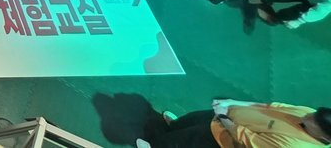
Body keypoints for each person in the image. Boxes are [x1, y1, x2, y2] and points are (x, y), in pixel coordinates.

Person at [137, 100, 331, 148]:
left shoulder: (293, 145)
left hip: (220, 136)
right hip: (225, 115)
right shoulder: (307, 112)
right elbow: (271, 106)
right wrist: (232, 103)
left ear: (324, 136)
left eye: (313, 121)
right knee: (189, 121)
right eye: (314, 114)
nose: (308, 115)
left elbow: (246, 138)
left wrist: (224, 117)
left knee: (182, 141)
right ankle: (174, 125)